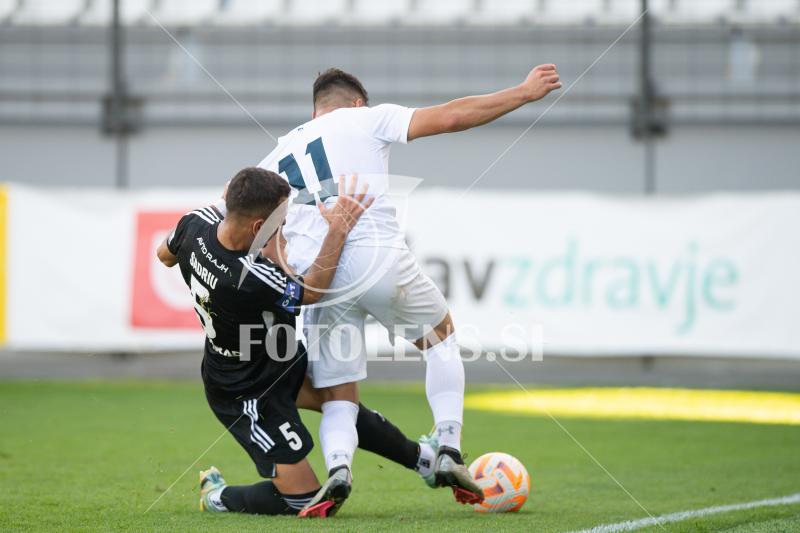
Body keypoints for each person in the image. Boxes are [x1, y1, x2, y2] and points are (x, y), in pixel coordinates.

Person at [257, 65, 562, 508]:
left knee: (339, 393)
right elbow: (452, 117)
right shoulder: (366, 117)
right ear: (356, 102)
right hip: (374, 256)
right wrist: (523, 92)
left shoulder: (276, 155)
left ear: (314, 110)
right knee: (441, 340)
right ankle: (449, 447)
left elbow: (244, 221)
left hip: (320, 278)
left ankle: (340, 467)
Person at [156, 168, 438, 518]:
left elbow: (164, 255)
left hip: (274, 357)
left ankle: (426, 461)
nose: (286, 225)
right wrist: (338, 228)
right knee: (305, 501)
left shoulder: (194, 223)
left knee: (341, 402)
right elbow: (314, 289)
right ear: (258, 228)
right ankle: (217, 496)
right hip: (245, 389)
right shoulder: (251, 277)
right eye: (282, 220)